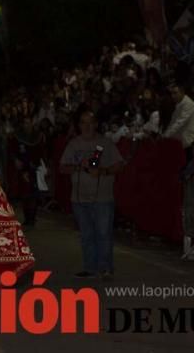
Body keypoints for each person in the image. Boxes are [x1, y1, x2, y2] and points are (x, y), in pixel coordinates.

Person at [59, 105, 125, 279]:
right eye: (83, 123)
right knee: (86, 235)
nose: (87, 126)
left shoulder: (105, 143)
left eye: (90, 123)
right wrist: (77, 167)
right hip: (79, 198)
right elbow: (62, 167)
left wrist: (103, 171)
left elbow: (119, 165)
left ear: (96, 124)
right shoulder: (74, 144)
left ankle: (105, 268)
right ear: (79, 125)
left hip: (102, 197)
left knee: (103, 234)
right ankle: (90, 268)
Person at [164, 81, 194, 151]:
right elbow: (173, 122)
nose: (173, 96)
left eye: (175, 93)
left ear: (182, 92)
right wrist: (166, 134)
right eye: (172, 93)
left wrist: (166, 135)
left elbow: (179, 123)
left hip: (192, 140)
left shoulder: (188, 104)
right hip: (186, 139)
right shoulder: (179, 103)